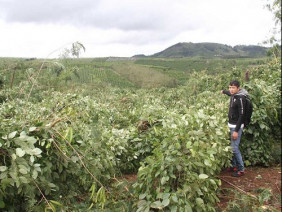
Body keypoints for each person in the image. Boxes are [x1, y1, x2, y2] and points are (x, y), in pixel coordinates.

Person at [221, 80, 248, 177]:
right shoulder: (234, 95)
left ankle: (241, 169)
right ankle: (234, 166)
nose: (231, 90)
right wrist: (224, 91)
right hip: (230, 125)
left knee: (234, 148)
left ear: (238, 88)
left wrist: (236, 131)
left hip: (236, 127)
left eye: (233, 88)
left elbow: (242, 115)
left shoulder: (240, 98)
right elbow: (229, 93)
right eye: (230, 87)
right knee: (232, 147)